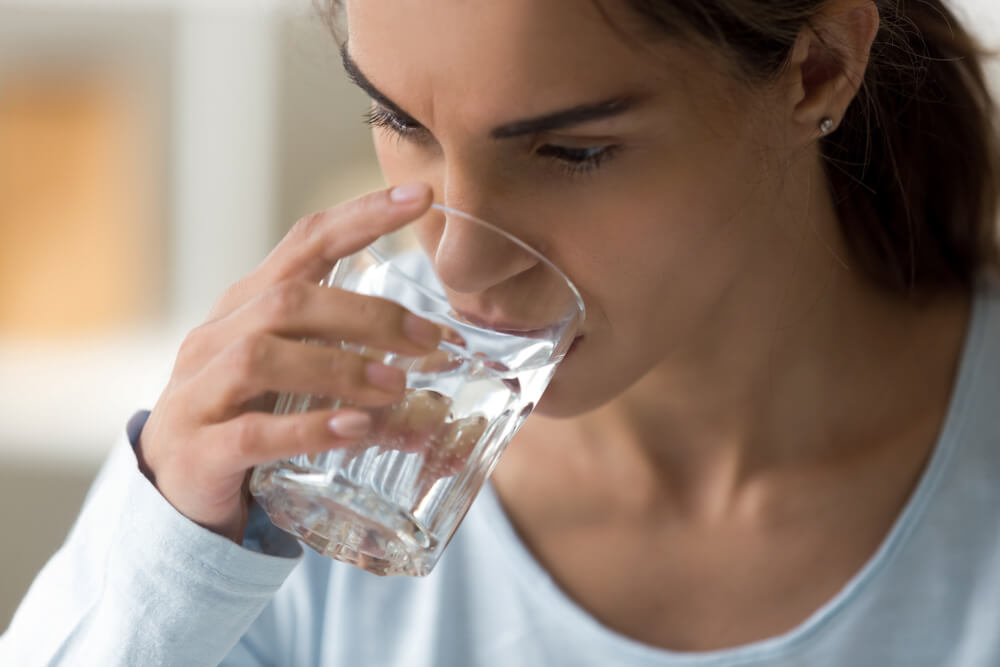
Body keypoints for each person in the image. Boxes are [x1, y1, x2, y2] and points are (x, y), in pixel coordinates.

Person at [3, 0, 999, 664]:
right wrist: (161, 562)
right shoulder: (279, 498)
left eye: (570, 151)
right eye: (397, 119)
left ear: (817, 68)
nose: (455, 260)